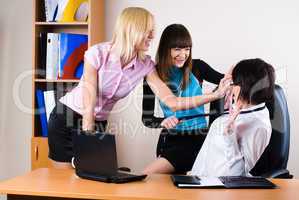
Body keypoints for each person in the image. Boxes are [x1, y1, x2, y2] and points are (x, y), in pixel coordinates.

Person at [48, 8, 230, 169]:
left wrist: (217, 95)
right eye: (148, 31)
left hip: (99, 122)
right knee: (69, 182)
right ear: (132, 30)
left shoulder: (146, 66)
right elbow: (89, 100)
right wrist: (88, 141)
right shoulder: (97, 54)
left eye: (152, 32)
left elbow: (172, 102)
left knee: (96, 179)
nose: (152, 36)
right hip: (68, 117)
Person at [142, 24, 225, 175]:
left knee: (146, 177)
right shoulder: (152, 75)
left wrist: (233, 79)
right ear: (166, 49)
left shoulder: (198, 67)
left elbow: (225, 81)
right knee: (149, 180)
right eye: (177, 49)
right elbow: (147, 119)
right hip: (171, 140)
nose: (183, 54)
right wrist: (162, 122)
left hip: (197, 138)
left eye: (187, 49)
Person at [190, 58, 275, 177]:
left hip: (222, 189)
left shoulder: (259, 124)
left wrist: (229, 135)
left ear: (243, 87)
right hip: (200, 181)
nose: (231, 87)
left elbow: (242, 172)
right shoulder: (241, 107)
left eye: (234, 83)